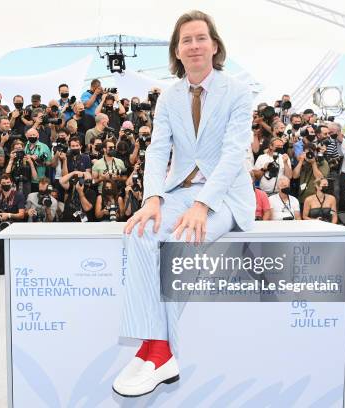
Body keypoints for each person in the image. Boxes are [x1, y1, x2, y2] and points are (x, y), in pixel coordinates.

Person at [113, 11, 255, 397]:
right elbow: (157, 151)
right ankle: (158, 350)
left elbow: (231, 155)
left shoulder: (239, 92)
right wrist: (153, 199)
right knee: (141, 234)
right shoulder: (168, 97)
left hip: (224, 195)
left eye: (200, 38)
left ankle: (153, 351)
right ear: (177, 50)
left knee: (179, 244)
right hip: (179, 192)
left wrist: (204, 205)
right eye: (186, 40)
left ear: (214, 45)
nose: (194, 45)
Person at [24, 128, 52, 192]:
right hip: (26, 178)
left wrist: (38, 161)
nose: (32, 137)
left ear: (38, 135)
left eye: (34, 135)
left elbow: (50, 162)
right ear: (27, 136)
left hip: (39, 179)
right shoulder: (24, 146)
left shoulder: (44, 146)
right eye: (30, 135)